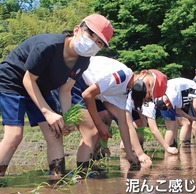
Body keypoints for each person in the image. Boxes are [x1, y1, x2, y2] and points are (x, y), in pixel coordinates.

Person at [0, 14, 113, 178]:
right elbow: (28, 79)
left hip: (41, 86)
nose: (93, 42)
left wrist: (67, 118)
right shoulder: (48, 46)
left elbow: (65, 90)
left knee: (56, 133)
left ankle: (57, 178)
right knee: (15, 134)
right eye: (90, 34)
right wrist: (47, 112)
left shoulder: (83, 61)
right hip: (14, 80)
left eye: (99, 42)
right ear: (77, 30)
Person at [67, 56, 168, 175]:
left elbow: (124, 123)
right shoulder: (122, 76)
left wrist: (133, 154)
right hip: (76, 80)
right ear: (143, 73)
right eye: (149, 84)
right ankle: (81, 175)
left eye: (149, 94)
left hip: (90, 90)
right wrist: (99, 125)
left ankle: (90, 164)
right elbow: (87, 95)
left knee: (102, 124)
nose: (146, 90)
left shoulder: (123, 93)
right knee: (92, 132)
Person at [154, 77, 196, 146]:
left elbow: (178, 110)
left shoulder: (181, 91)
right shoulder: (195, 86)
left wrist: (191, 118)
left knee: (174, 125)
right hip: (166, 98)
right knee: (171, 127)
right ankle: (168, 149)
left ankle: (174, 145)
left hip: (161, 96)